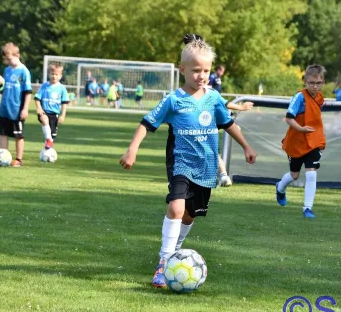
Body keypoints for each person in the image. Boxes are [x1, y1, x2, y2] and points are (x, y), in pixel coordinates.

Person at [119, 34, 257, 288]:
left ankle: (176, 250)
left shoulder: (213, 98)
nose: (201, 75)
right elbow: (147, 123)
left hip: (206, 168)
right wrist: (132, 150)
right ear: (182, 70)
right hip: (181, 163)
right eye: (195, 70)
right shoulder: (174, 100)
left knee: (190, 215)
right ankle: (164, 263)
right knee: (176, 208)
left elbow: (227, 124)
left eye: (205, 70)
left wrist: (246, 146)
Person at [275, 64, 327, 219]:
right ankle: (280, 188)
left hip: (314, 142)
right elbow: (289, 118)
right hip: (296, 142)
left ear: (323, 82)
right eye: (311, 83)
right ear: (305, 81)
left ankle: (307, 208)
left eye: (318, 83)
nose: (315, 86)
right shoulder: (299, 97)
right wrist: (301, 129)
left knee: (311, 174)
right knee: (294, 175)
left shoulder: (320, 98)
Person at [0, 42, 32, 167]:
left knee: (18, 135)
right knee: (3, 133)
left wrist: (25, 109)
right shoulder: (7, 70)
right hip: (4, 108)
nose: (7, 62)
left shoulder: (24, 71)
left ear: (17, 55)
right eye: (6, 60)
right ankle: (3, 157)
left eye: (9, 59)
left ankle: (18, 159)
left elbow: (28, 92)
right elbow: (4, 87)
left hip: (16, 109)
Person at [34, 63, 70, 150]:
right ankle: (49, 140)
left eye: (56, 74)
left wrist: (63, 115)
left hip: (54, 114)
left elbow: (64, 103)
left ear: (60, 76)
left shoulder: (62, 88)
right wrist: (39, 108)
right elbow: (37, 98)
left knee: (52, 134)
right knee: (44, 119)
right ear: (49, 74)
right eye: (52, 74)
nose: (54, 76)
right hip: (44, 111)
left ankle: (47, 149)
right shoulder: (44, 86)